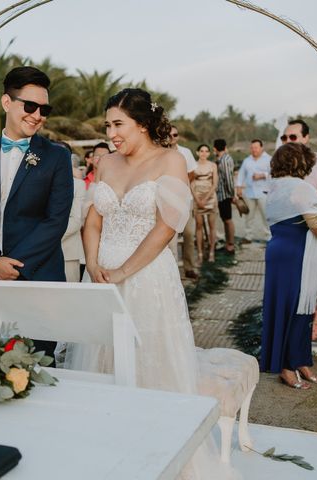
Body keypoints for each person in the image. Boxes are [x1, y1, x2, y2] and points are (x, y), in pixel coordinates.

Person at [71, 88, 234, 479]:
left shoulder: (171, 160)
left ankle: (157, 459)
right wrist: (93, 264)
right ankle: (109, 454)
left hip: (147, 280)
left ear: (142, 125)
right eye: (108, 125)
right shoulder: (107, 163)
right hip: (101, 277)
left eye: (118, 124)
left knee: (150, 365)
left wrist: (125, 272)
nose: (111, 132)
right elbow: (93, 220)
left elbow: (167, 227)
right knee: (104, 362)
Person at [0, 66, 73, 365]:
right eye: (30, 106)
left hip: (37, 279)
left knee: (36, 369)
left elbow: (55, 220)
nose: (37, 115)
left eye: (44, 109)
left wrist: (14, 267)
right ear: (7, 102)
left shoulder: (57, 156)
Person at [260, 143, 317, 388]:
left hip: (280, 250)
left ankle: (300, 359)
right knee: (296, 309)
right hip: (296, 253)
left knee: (293, 307)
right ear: (300, 163)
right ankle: (287, 366)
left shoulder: (273, 187)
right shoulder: (301, 187)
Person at [281, 119, 317, 205]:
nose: (288, 141)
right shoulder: (278, 163)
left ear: (306, 138)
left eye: (293, 137)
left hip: (313, 216)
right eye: (284, 138)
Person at [170, 125, 198, 278]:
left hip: (185, 199)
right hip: (167, 201)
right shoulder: (161, 152)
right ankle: (172, 271)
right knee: (170, 238)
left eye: (175, 135)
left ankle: (189, 267)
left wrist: (182, 185)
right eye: (169, 135)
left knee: (189, 234)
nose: (172, 138)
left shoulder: (185, 152)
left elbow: (192, 173)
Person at [235, 139, 272, 242]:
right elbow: (241, 174)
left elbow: (274, 173)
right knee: (249, 216)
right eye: (252, 148)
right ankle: (248, 236)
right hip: (249, 192)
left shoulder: (269, 159)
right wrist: (238, 188)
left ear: (261, 148)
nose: (253, 150)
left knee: (266, 215)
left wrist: (262, 175)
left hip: (264, 192)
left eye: (256, 147)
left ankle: (269, 236)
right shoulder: (247, 160)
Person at [191, 144, 218, 263]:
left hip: (210, 198)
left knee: (212, 227)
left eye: (206, 151)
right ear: (197, 152)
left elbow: (215, 184)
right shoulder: (192, 166)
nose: (204, 153)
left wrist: (206, 199)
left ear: (209, 153)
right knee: (199, 227)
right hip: (197, 198)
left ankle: (212, 253)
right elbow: (190, 183)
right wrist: (197, 199)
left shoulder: (213, 165)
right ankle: (200, 254)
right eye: (201, 151)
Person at [214, 138, 236, 254]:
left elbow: (229, 179)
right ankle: (228, 243)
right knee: (225, 220)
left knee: (228, 220)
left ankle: (231, 245)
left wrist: (232, 195)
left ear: (214, 148)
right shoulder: (221, 159)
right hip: (221, 195)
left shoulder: (225, 160)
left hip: (225, 195)